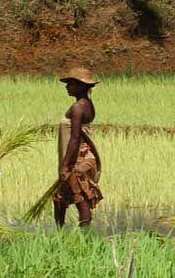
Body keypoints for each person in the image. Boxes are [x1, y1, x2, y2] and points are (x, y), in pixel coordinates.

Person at [54, 66, 104, 228]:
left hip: (77, 158)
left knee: (80, 198)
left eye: (71, 84)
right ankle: (61, 236)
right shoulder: (87, 104)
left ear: (82, 86)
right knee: (59, 198)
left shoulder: (77, 108)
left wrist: (65, 166)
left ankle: (85, 236)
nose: (67, 87)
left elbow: (75, 138)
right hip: (82, 156)